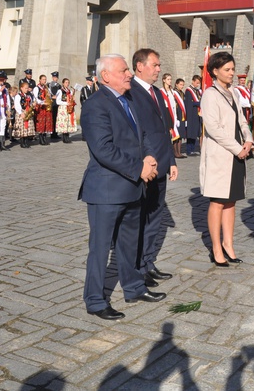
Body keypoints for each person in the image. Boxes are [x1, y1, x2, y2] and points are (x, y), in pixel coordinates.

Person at [79, 54, 159, 320]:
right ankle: (95, 299)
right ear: (106, 77)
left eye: (128, 70)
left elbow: (142, 135)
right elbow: (103, 149)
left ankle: (134, 287)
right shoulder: (95, 105)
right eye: (124, 70)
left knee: (129, 245)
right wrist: (139, 169)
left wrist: (148, 157)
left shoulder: (128, 100)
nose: (128, 74)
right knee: (100, 249)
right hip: (107, 191)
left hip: (132, 188)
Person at [199, 52, 254, 266]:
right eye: (227, 70)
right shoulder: (210, 95)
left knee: (231, 201)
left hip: (238, 154)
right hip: (222, 155)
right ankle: (216, 248)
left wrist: (248, 140)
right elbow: (213, 128)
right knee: (218, 201)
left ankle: (228, 244)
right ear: (215, 71)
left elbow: (242, 119)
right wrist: (236, 148)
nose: (232, 73)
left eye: (233, 69)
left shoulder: (233, 92)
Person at [131, 49, 178, 291]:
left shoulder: (157, 93)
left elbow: (164, 131)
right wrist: (145, 163)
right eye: (155, 65)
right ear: (140, 66)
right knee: (140, 219)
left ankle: (148, 262)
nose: (159, 69)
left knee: (154, 218)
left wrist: (171, 160)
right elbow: (138, 133)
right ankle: (137, 267)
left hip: (161, 164)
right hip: (145, 167)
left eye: (159, 65)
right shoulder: (131, 92)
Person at [13, 80, 37, 148]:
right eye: (25, 88)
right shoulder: (18, 96)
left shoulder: (29, 95)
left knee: (27, 128)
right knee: (22, 127)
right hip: (22, 112)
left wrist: (33, 105)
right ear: (21, 88)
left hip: (28, 112)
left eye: (27, 88)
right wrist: (21, 113)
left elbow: (30, 103)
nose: (27, 89)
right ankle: (22, 141)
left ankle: (26, 141)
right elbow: (17, 105)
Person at [159, 73, 180, 149]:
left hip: (173, 113)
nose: (170, 81)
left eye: (170, 79)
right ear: (164, 80)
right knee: (169, 131)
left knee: (175, 132)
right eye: (168, 79)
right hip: (167, 112)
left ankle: (176, 151)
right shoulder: (161, 91)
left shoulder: (172, 91)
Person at [184, 75, 203, 156]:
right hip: (191, 114)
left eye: (199, 83)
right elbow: (189, 103)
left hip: (197, 114)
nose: (197, 84)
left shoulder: (197, 91)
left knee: (195, 132)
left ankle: (192, 149)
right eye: (196, 83)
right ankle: (189, 150)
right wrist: (198, 103)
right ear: (192, 81)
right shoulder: (188, 91)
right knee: (190, 132)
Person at [55, 78, 78, 143]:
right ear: (63, 83)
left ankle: (67, 136)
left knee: (68, 122)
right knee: (64, 122)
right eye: (66, 82)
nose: (67, 84)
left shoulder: (70, 91)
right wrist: (66, 103)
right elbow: (58, 101)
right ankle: (64, 137)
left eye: (68, 82)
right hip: (63, 108)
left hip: (69, 108)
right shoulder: (60, 91)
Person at [33, 75, 53, 145]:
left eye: (45, 79)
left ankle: (44, 138)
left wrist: (49, 96)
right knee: (41, 123)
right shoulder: (36, 88)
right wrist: (43, 102)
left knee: (46, 123)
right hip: (40, 107)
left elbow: (50, 96)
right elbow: (35, 98)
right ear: (40, 80)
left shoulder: (46, 88)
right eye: (43, 79)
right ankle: (41, 139)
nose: (44, 81)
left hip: (46, 107)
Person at [172, 78, 187, 159]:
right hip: (176, 115)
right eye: (180, 84)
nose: (182, 86)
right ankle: (175, 152)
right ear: (176, 84)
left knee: (181, 134)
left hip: (182, 116)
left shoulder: (182, 93)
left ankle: (179, 152)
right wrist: (176, 117)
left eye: (183, 85)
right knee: (176, 136)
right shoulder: (174, 93)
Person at [49, 72, 62, 140]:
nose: (55, 79)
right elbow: (47, 93)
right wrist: (51, 96)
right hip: (52, 103)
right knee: (52, 118)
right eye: (54, 77)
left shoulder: (59, 86)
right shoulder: (49, 85)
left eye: (56, 77)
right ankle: (52, 133)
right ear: (52, 78)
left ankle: (55, 133)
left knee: (56, 119)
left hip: (57, 103)